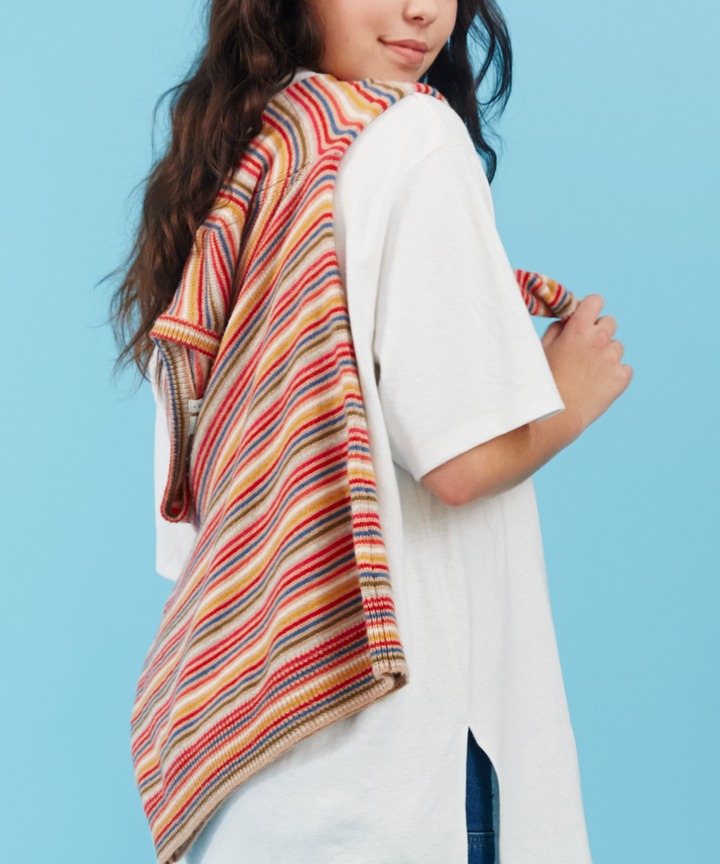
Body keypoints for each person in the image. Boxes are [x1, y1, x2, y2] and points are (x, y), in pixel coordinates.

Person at [108, 1, 632, 862]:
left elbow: (196, 528)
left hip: (261, 770)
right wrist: (567, 392)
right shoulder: (413, 139)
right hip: (404, 764)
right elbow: (458, 461)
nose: (420, 9)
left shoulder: (255, 165)